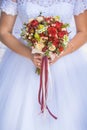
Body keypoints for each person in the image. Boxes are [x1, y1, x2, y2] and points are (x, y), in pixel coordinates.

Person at [0, 0, 87, 130]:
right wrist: (30, 54)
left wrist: (59, 52)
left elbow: (83, 32)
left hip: (66, 64)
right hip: (23, 63)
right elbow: (3, 32)